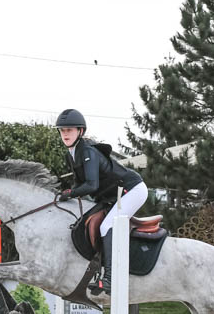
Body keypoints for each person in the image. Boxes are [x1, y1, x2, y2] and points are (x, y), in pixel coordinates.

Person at [54, 108, 148, 295]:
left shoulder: (88, 151)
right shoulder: (71, 153)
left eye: (70, 130)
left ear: (80, 131)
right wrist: (67, 193)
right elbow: (78, 183)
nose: (65, 134)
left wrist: (71, 193)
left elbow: (90, 185)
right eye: (62, 130)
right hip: (111, 196)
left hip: (131, 190)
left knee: (106, 227)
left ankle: (110, 279)